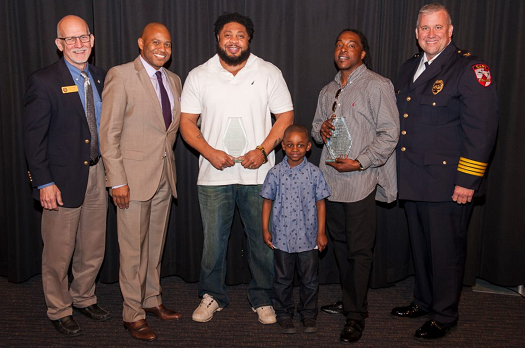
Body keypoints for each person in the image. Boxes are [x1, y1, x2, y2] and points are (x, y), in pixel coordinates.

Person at [391, 3, 498, 341]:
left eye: (438, 27)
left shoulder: (470, 68)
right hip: (413, 178)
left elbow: (482, 130)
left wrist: (468, 181)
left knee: (446, 252)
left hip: (448, 183)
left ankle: (445, 314)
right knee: (421, 248)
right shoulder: (410, 68)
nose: (431, 34)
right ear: (416, 33)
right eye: (425, 28)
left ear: (450, 31)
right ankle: (423, 301)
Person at [180, 12, 294, 325]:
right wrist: (209, 151)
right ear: (218, 39)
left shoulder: (268, 71)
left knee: (261, 240)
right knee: (213, 242)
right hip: (213, 175)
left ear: (249, 40)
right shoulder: (199, 75)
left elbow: (285, 116)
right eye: (228, 35)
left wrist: (263, 149)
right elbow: (186, 122)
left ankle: (263, 298)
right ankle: (212, 295)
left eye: (240, 35)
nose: (234, 40)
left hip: (259, 175)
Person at [22, 15, 110, 337]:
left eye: (83, 37)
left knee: (93, 245)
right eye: (70, 39)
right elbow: (33, 138)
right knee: (59, 251)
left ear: (92, 39)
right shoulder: (43, 81)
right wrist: (43, 182)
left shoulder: (101, 78)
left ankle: (84, 297)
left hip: (97, 174)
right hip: (59, 181)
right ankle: (59, 308)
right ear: (59, 45)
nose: (78, 44)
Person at [312, 29, 399, 344]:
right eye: (338, 44)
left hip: (360, 182)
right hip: (331, 183)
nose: (343, 49)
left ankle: (355, 316)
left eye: (351, 45)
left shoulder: (377, 85)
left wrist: (361, 162)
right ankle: (352, 301)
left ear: (362, 53)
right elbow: (314, 130)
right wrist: (319, 129)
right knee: (341, 246)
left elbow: (390, 133)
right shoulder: (327, 90)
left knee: (359, 252)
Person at [99, 22, 182, 342]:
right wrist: (116, 180)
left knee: (154, 245)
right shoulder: (121, 76)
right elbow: (109, 133)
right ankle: (132, 314)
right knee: (133, 249)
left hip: (164, 175)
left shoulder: (174, 80)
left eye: (168, 44)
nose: (162, 49)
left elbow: (167, 131)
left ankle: (151, 300)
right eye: (156, 42)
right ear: (141, 43)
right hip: (131, 181)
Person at [260, 125, 331, 334]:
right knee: (282, 280)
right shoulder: (274, 174)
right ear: (283, 146)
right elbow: (267, 202)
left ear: (308, 147)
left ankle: (309, 315)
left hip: (308, 239)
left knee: (309, 280)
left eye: (300, 145)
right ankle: (283, 314)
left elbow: (321, 204)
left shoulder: (315, 174)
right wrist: (265, 228)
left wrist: (321, 232)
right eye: (289, 144)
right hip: (281, 238)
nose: (294, 149)